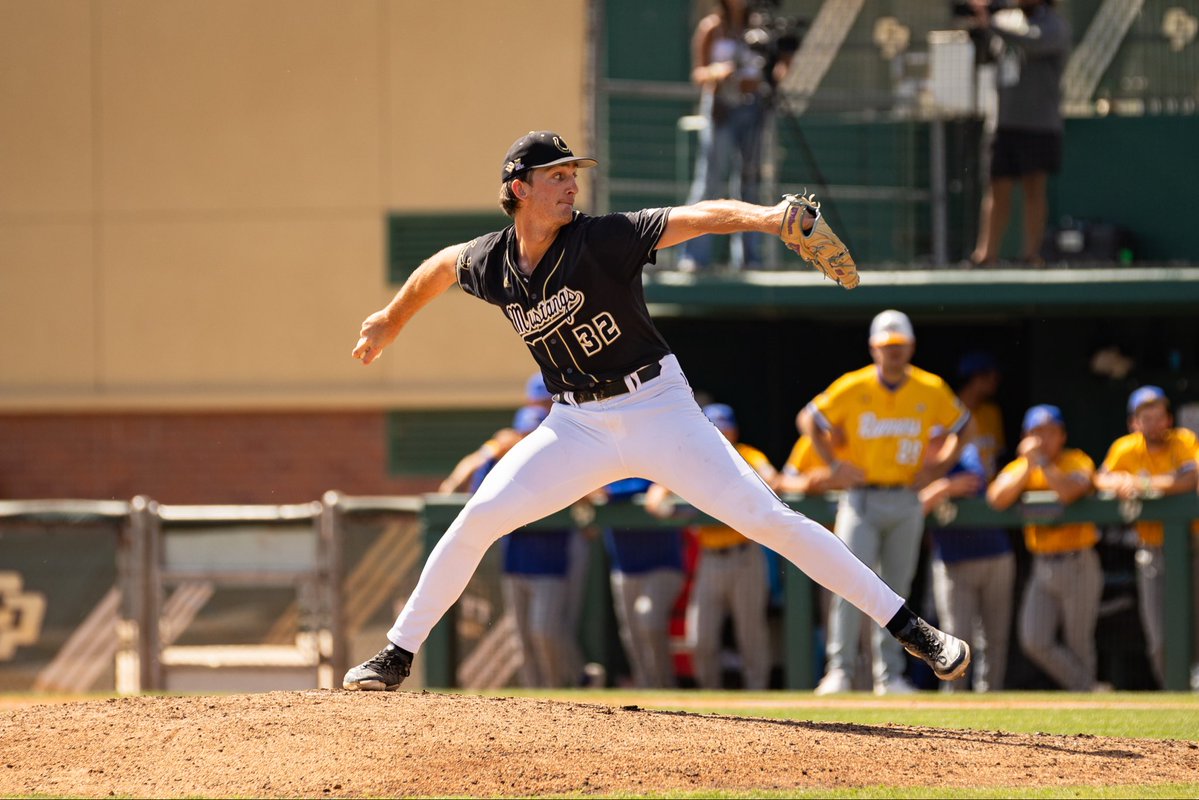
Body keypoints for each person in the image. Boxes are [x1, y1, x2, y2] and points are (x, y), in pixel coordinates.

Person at [342, 129, 969, 692]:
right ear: (518, 188)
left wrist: (770, 218)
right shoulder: (494, 261)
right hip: (576, 424)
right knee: (477, 517)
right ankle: (397, 654)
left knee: (770, 520)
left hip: (657, 408)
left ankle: (913, 629)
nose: (571, 184)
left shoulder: (601, 239)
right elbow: (441, 266)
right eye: (556, 175)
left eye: (573, 173)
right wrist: (392, 319)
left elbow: (696, 218)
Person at [798, 309, 971, 696]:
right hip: (862, 497)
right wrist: (834, 465)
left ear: (911, 346)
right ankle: (839, 671)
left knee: (896, 589)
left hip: (906, 497)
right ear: (874, 348)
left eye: (899, 345)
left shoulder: (929, 387)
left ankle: (889, 676)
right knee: (846, 579)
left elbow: (964, 426)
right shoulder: (854, 384)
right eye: (886, 346)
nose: (893, 352)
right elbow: (809, 419)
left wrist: (939, 467)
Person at [645, 403, 775, 690]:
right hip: (711, 557)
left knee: (750, 634)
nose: (721, 434)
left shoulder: (748, 455)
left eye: (725, 428)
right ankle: (709, 698)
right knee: (700, 638)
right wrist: (676, 509)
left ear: (734, 431)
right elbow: (656, 496)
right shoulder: (693, 458)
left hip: (744, 554)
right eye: (715, 428)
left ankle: (760, 695)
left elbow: (772, 480)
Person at [987, 404, 1101, 691]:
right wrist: (1029, 465)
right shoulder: (1023, 467)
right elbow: (996, 499)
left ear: (1063, 435)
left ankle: (1090, 701)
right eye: (1036, 433)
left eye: (1050, 432)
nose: (1043, 439)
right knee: (1034, 639)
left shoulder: (1076, 460)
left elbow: (1069, 493)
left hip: (1078, 561)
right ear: (1025, 436)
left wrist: (1042, 463)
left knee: (1078, 642)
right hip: (1042, 564)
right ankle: (1090, 689)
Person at [1094, 386, 1199, 688]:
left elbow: (1190, 478)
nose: (1154, 424)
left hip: (1191, 547)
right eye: (1146, 417)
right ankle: (1173, 694)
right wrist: (1120, 482)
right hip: (1152, 549)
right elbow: (1100, 478)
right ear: (1134, 422)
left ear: (1168, 419)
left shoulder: (1183, 440)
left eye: (1159, 416)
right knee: (1159, 637)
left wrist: (1144, 485)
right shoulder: (1126, 448)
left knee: (1194, 627)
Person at [676, 0, 790, 272]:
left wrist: (779, 70)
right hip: (721, 109)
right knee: (710, 180)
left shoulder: (760, 26)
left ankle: (750, 258)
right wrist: (718, 72)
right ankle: (695, 256)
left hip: (753, 108)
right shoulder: (711, 28)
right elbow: (698, 73)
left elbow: (775, 69)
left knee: (750, 183)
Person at [967, 0, 1071, 267]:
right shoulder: (1005, 20)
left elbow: (1032, 42)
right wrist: (980, 22)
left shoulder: (1054, 25)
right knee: (997, 188)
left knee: (1034, 188)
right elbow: (990, 54)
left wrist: (990, 23)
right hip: (1003, 122)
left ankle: (1031, 254)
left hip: (1039, 124)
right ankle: (986, 254)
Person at [920, 431, 1015, 692]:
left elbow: (973, 481)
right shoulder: (914, 467)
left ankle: (989, 698)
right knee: (955, 636)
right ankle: (954, 700)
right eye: (932, 441)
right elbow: (914, 508)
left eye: (942, 439)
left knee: (994, 638)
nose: (938, 446)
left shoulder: (967, 453)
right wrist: (944, 487)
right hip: (952, 561)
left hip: (994, 555)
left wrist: (936, 485)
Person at [595, 477, 684, 689]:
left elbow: (646, 484)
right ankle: (645, 686)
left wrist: (660, 486)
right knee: (631, 633)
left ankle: (664, 686)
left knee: (648, 618)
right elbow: (598, 491)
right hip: (624, 567)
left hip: (662, 564)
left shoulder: (653, 470)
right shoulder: (605, 471)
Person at [955, 351, 1006, 479]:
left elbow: (997, 456)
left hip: (989, 485)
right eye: (993, 376)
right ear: (977, 378)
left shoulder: (992, 412)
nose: (996, 381)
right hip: (961, 486)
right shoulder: (950, 411)